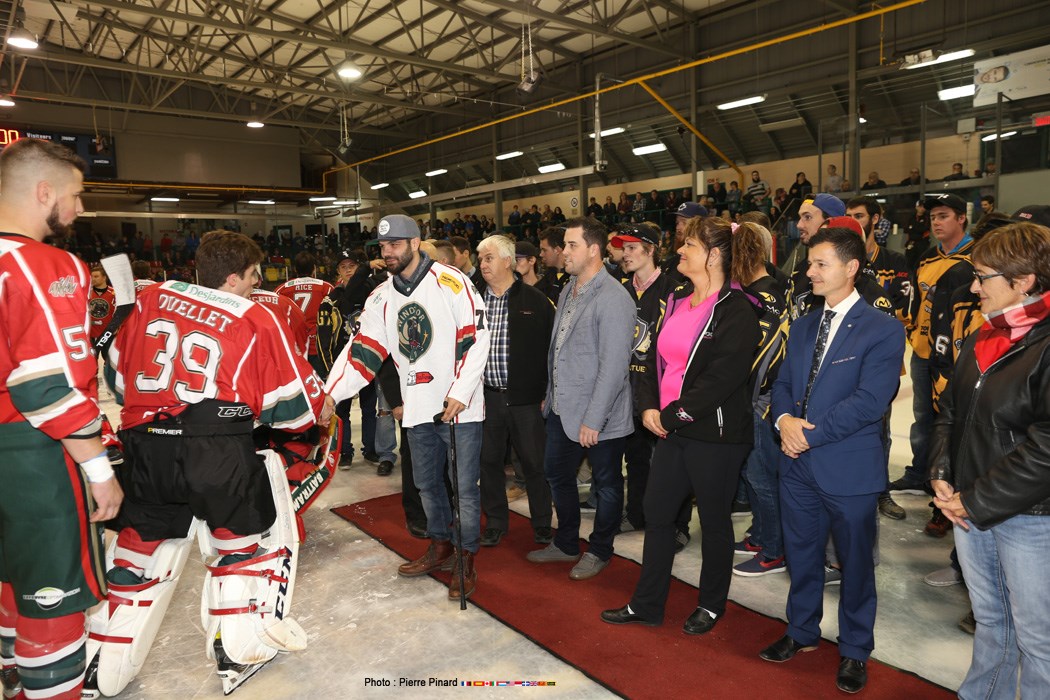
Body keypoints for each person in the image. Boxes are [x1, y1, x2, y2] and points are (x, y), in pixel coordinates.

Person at [93, 230, 325, 696]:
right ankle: (236, 649)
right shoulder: (254, 316)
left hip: (145, 445)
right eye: (254, 275)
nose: (257, 283)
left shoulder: (151, 297)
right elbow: (297, 409)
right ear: (235, 277)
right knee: (240, 542)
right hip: (215, 447)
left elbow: (115, 375)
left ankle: (100, 656)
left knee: (139, 543)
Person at [0, 138, 123, 700]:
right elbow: (44, 385)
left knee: (11, 577)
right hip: (31, 455)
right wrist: (99, 470)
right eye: (75, 195)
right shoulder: (46, 264)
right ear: (44, 192)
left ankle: (11, 674)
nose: (80, 208)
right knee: (52, 599)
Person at [760, 227, 905, 695]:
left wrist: (807, 435)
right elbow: (783, 384)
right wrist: (783, 420)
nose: (810, 272)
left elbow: (870, 401)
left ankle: (855, 649)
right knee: (801, 556)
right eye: (810, 263)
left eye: (821, 264)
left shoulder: (883, 328)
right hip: (797, 465)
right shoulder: (804, 324)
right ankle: (801, 631)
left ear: (851, 268)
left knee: (856, 566)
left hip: (848, 468)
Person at [601, 215, 761, 632]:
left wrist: (669, 416)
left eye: (689, 245)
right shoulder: (676, 299)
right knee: (658, 513)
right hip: (671, 428)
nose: (680, 251)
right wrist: (648, 408)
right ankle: (647, 603)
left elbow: (721, 379)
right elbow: (652, 357)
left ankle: (711, 605)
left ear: (714, 255)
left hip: (715, 435)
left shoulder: (737, 309)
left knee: (714, 521)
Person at [325, 215, 490, 601]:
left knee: (464, 489)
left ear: (415, 243)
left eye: (395, 244)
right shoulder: (381, 296)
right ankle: (441, 545)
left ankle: (465, 556)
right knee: (426, 485)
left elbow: (477, 338)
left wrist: (461, 390)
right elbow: (363, 350)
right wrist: (332, 393)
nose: (388, 252)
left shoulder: (451, 282)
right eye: (383, 246)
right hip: (417, 407)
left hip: (459, 408)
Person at [929, 220, 1050, 699]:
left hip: (1031, 517)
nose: (974, 287)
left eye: (983, 277)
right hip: (971, 508)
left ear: (1023, 281)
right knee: (992, 623)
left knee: (1038, 640)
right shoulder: (986, 335)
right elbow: (950, 411)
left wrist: (975, 499)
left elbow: (1046, 448)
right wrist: (942, 470)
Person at [526, 217, 635, 580]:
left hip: (599, 415)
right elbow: (559, 348)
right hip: (562, 407)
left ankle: (600, 549)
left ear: (594, 250)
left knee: (607, 485)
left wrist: (594, 419)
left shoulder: (614, 298)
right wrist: (550, 393)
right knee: (557, 474)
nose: (565, 252)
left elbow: (614, 367)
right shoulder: (568, 289)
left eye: (572, 245)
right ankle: (567, 543)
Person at [612, 222, 690, 550]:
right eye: (623, 248)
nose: (625, 254)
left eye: (632, 248)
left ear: (651, 250)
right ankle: (637, 513)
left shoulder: (675, 290)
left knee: (672, 463)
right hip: (626, 390)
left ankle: (679, 525)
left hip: (662, 390)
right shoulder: (620, 290)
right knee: (636, 458)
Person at [474, 235, 555, 547]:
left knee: (535, 463)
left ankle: (542, 522)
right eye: (481, 259)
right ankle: (495, 522)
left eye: (489, 258)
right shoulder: (473, 301)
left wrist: (547, 391)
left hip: (526, 399)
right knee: (489, 462)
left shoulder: (535, 301)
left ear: (508, 261)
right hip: (486, 398)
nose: (483, 264)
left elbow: (551, 350)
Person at [892, 193, 974, 496]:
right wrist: (913, 334)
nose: (936, 223)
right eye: (932, 217)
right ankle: (919, 473)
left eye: (943, 216)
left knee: (952, 417)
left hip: (958, 357)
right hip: (924, 353)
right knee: (923, 415)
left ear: (961, 218)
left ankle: (951, 478)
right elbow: (914, 303)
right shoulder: (926, 258)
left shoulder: (976, 257)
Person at [276, 252, 334, 375]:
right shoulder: (326, 287)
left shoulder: (282, 289)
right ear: (314, 268)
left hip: (294, 347)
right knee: (322, 383)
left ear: (295, 269)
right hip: (319, 347)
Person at [535, 226, 567, 304]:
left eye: (544, 250)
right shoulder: (544, 282)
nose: (541, 254)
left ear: (557, 250)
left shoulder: (576, 278)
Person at [88, 265, 116, 345]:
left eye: (96, 276)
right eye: (92, 277)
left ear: (104, 278)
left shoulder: (115, 293)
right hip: (90, 334)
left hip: (109, 334)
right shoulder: (86, 293)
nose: (93, 279)